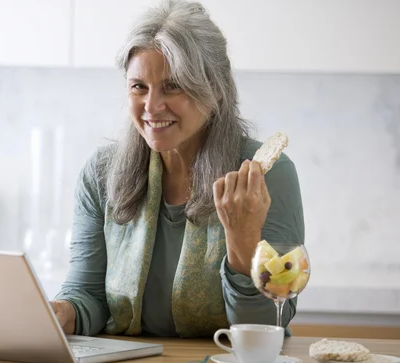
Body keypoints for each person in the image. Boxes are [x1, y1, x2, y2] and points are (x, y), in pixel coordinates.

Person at [50, 0, 304, 338]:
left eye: (173, 86)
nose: (151, 107)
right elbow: (88, 296)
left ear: (213, 89)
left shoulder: (264, 175)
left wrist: (243, 244)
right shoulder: (100, 173)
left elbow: (267, 324)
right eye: (139, 86)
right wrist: (58, 312)